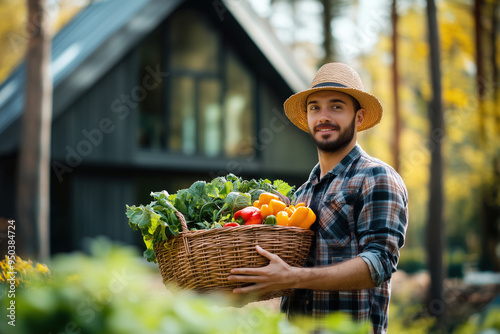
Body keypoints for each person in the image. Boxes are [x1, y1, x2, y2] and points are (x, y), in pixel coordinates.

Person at [227, 62, 409, 333]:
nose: (323, 116)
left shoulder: (376, 177)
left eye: (336, 106)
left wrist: (295, 277)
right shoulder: (301, 195)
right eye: (315, 107)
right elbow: (286, 278)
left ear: (358, 118)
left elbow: (379, 263)